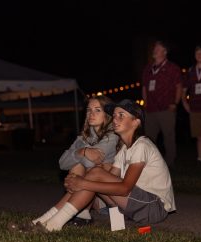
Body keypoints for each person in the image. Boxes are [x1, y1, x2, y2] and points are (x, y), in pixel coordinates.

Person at [25, 99, 176, 232]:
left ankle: (53, 225)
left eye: (121, 115)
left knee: (94, 175)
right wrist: (80, 181)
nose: (115, 119)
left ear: (136, 122)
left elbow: (124, 188)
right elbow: (110, 179)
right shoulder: (124, 150)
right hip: (137, 208)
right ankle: (41, 221)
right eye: (115, 115)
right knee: (96, 174)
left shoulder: (142, 145)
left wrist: (83, 182)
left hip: (155, 207)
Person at [14, 95, 119, 230]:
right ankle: (54, 220)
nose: (91, 114)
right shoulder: (83, 138)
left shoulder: (113, 137)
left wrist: (79, 154)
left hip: (112, 202)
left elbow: (90, 165)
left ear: (107, 114)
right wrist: (82, 152)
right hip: (90, 195)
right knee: (77, 165)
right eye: (89, 110)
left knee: (87, 168)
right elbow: (62, 163)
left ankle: (50, 223)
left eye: (97, 110)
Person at [142, 40, 183, 168]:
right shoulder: (148, 68)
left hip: (167, 108)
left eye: (158, 48)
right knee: (149, 138)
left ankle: (170, 162)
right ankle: (150, 163)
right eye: (155, 48)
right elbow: (144, 88)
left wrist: (175, 103)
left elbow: (179, 86)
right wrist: (145, 104)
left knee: (168, 136)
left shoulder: (173, 68)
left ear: (164, 52)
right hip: (151, 109)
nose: (155, 50)